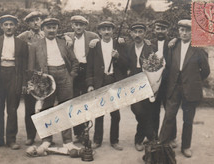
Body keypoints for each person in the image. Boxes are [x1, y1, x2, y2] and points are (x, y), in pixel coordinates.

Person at [159, 19, 210, 158]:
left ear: (193, 33)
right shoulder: (173, 46)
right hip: (174, 87)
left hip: (191, 89)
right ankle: (161, 145)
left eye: (188, 30)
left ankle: (186, 146)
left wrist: (193, 80)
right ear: (178, 31)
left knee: (188, 120)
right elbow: (168, 66)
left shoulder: (198, 49)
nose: (184, 33)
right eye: (182, 30)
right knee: (169, 116)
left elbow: (205, 71)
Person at [29, 17, 79, 150]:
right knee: (46, 108)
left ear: (57, 29)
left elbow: (75, 62)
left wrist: (71, 76)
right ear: (43, 29)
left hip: (64, 75)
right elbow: (30, 67)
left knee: (66, 108)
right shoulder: (35, 45)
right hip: (46, 77)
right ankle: (46, 140)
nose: (51, 30)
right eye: (48, 27)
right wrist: (37, 82)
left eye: (54, 27)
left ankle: (68, 141)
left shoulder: (64, 43)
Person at [0, 15, 28, 150]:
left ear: (15, 26)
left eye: (11, 24)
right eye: (6, 24)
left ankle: (11, 140)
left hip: (14, 75)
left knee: (12, 110)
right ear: (1, 26)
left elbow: (25, 66)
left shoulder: (21, 44)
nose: (9, 27)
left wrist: (24, 83)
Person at [86, 21, 128, 151]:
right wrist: (90, 84)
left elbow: (126, 64)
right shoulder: (95, 46)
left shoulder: (119, 45)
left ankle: (114, 140)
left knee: (115, 114)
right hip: (100, 81)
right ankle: (97, 140)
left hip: (114, 81)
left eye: (109, 29)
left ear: (113, 31)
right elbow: (89, 67)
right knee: (99, 113)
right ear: (99, 32)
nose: (106, 32)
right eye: (103, 29)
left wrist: (118, 56)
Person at [65, 15, 99, 143]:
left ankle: (85, 132)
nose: (78, 27)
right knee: (73, 101)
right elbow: (57, 36)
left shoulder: (92, 36)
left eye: (81, 25)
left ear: (85, 26)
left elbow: (103, 42)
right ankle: (77, 133)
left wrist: (97, 41)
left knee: (85, 102)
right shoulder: (67, 35)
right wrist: (66, 37)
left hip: (87, 71)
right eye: (76, 24)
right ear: (72, 25)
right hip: (74, 71)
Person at [126, 22, 156, 151]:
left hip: (147, 82)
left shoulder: (151, 47)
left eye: (140, 32)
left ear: (145, 33)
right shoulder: (126, 47)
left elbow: (156, 67)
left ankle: (139, 139)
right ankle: (151, 135)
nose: (138, 35)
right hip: (132, 83)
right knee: (138, 111)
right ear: (131, 34)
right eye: (135, 32)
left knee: (148, 111)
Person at [17, 11, 45, 146]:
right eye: (32, 20)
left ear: (41, 21)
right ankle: (30, 136)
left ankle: (46, 137)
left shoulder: (46, 34)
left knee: (46, 107)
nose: (35, 22)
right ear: (28, 23)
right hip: (30, 77)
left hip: (45, 76)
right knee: (29, 108)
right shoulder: (22, 37)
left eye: (38, 19)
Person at [150, 19, 177, 147]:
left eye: (163, 28)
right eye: (158, 28)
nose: (160, 31)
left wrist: (177, 39)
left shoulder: (173, 42)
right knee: (154, 110)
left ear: (167, 30)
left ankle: (171, 137)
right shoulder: (149, 43)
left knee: (169, 110)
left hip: (168, 82)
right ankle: (153, 136)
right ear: (154, 30)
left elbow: (186, 41)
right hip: (155, 82)